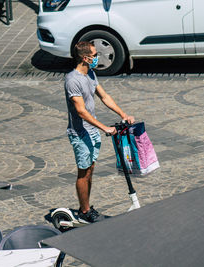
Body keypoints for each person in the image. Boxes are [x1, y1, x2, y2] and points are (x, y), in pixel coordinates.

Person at [64, 41, 135, 223]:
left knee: (90, 170)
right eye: (95, 55)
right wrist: (104, 127)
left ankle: (85, 208)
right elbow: (81, 111)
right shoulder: (73, 80)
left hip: (92, 133)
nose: (97, 58)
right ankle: (85, 212)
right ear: (85, 57)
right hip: (80, 133)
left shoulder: (91, 74)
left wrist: (123, 114)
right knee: (83, 172)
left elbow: (104, 96)